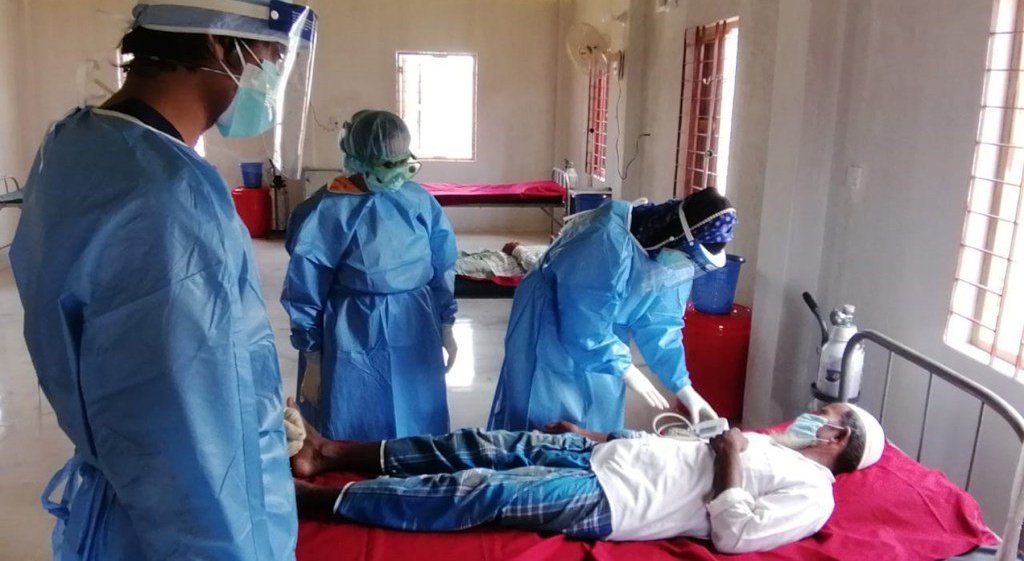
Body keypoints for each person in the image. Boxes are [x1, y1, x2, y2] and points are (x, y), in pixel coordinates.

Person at [9, 0, 317, 559]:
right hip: (187, 529)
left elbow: (145, 365)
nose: (273, 75)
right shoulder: (173, 198)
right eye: (270, 57)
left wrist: (259, 409)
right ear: (220, 43)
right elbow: (193, 440)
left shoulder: (78, 144)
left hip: (125, 501)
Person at [291, 403, 885, 554]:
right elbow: (673, 447)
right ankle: (330, 451)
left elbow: (733, 536)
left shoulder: (813, 495)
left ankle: (317, 502)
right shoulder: (770, 442)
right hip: (610, 460)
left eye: (824, 417)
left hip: (615, 501)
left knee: (484, 489)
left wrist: (729, 453)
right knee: (479, 444)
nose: (812, 415)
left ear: (836, 441)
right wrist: (596, 434)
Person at [488, 188, 737, 432]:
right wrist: (625, 368)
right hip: (548, 323)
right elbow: (583, 325)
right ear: (676, 237)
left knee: (599, 414)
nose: (686, 267)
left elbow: (661, 324)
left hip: (604, 333)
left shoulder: (666, 258)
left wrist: (683, 387)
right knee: (546, 415)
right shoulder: (606, 240)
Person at [281, 110, 458, 442]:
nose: (398, 174)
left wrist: (446, 323)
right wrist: (312, 355)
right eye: (387, 166)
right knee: (353, 419)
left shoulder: (418, 201)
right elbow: (305, 286)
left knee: (417, 419)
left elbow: (442, 264)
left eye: (404, 163)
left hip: (416, 322)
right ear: (359, 159)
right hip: (353, 327)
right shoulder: (326, 210)